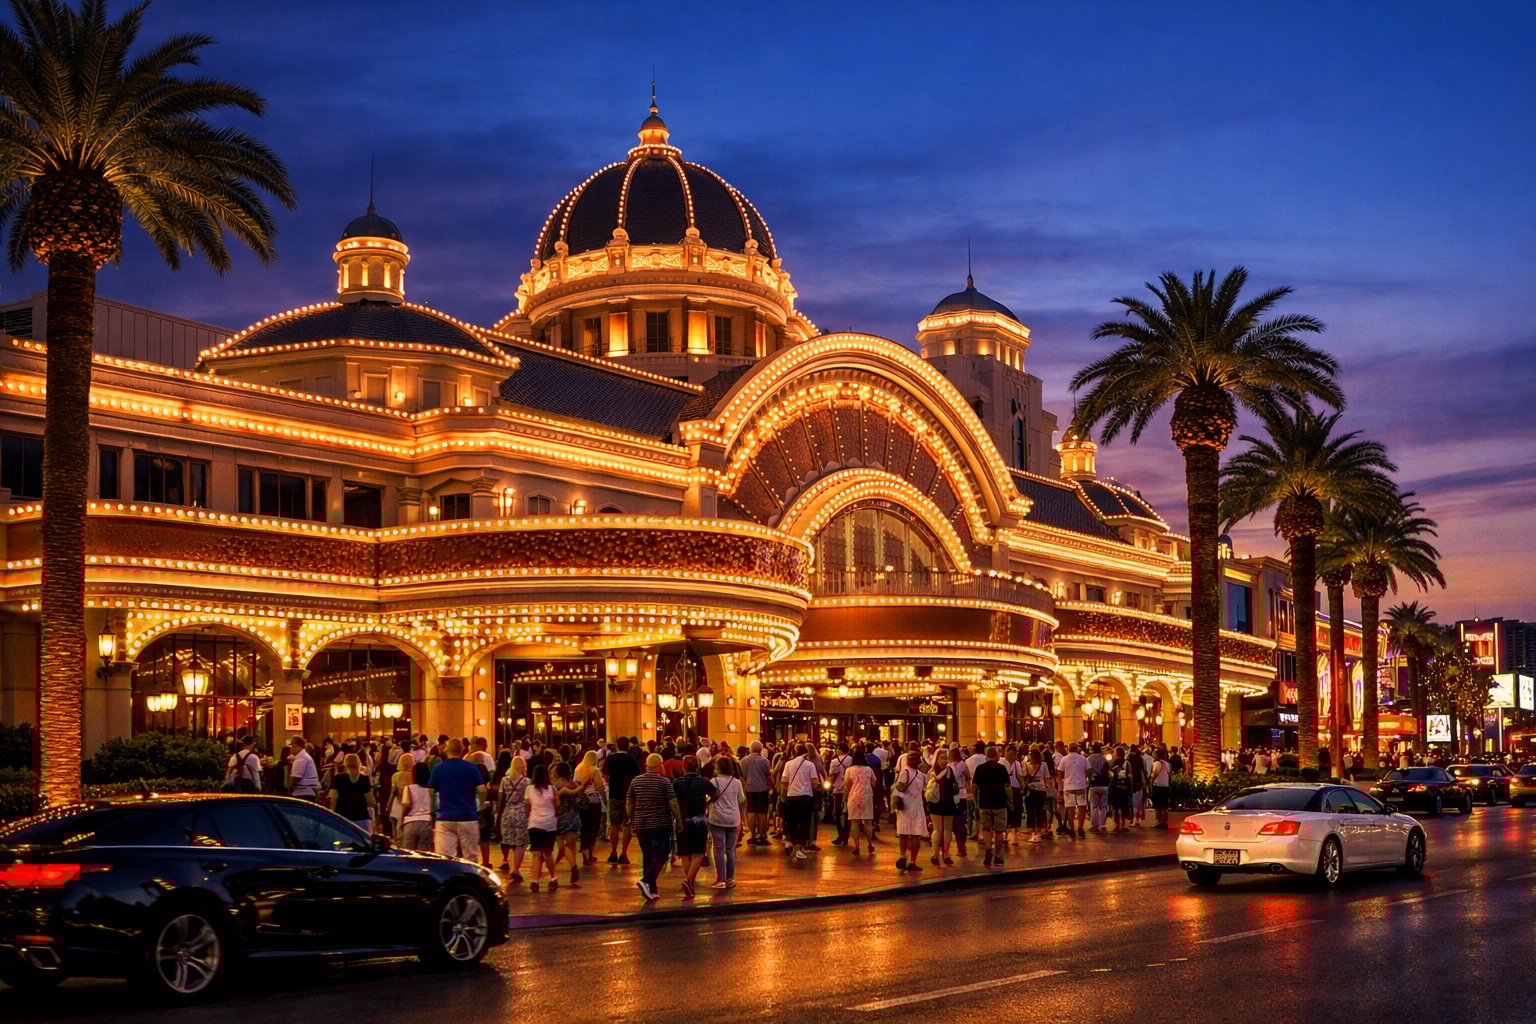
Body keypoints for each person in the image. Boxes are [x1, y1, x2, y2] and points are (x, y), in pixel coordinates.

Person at [628, 754, 682, 901]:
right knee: (662, 855)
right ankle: (646, 881)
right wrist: (679, 820)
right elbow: (673, 803)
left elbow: (629, 801)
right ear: (659, 765)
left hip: (640, 824)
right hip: (660, 823)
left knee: (648, 856)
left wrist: (631, 817)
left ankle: (651, 889)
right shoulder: (664, 782)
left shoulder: (636, 781)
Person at [429, 738, 484, 860]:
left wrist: (433, 809)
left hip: (445, 817)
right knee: (471, 857)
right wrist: (480, 806)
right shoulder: (471, 768)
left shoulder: (439, 768)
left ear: (447, 751)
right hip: (468, 817)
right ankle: (471, 877)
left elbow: (431, 791)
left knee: (445, 858)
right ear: (463, 750)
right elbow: (482, 789)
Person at [673, 755, 712, 898]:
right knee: (698, 853)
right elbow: (715, 793)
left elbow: (672, 799)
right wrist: (707, 802)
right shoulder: (703, 782)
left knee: (685, 854)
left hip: (682, 820)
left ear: (683, 767)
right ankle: (689, 881)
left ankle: (690, 882)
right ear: (697, 767)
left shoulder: (677, 783)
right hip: (699, 820)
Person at [708, 755, 744, 889]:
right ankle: (731, 878)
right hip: (733, 818)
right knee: (730, 850)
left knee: (719, 849)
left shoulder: (714, 781)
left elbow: (709, 797)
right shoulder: (737, 782)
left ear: (717, 767)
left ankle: (721, 879)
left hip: (717, 817)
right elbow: (741, 800)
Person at [780, 742, 820, 861]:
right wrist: (817, 786)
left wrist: (784, 794)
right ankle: (799, 848)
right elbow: (814, 782)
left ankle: (790, 842)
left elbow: (784, 781)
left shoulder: (788, 763)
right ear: (805, 753)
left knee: (791, 821)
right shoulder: (810, 765)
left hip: (791, 796)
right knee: (804, 822)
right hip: (805, 797)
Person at [971, 745, 1009, 866]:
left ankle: (988, 850)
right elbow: (1007, 787)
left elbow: (974, 786)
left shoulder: (980, 768)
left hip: (984, 802)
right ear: (996, 756)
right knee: (999, 831)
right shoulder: (1002, 768)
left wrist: (975, 799)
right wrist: (1011, 801)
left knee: (986, 828)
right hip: (999, 803)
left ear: (986, 756)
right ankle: (998, 855)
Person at [605, 736, 641, 864]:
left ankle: (613, 852)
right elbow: (637, 777)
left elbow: (605, 775)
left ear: (616, 745)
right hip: (628, 796)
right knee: (627, 825)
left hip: (614, 795)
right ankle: (623, 854)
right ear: (628, 746)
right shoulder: (631, 760)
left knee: (614, 826)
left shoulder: (610, 759)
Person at [525, 763, 559, 891]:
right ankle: (553, 878)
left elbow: (527, 805)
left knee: (536, 854)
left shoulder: (529, 789)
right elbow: (558, 805)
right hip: (550, 823)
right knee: (548, 852)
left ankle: (535, 881)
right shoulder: (552, 788)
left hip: (535, 823)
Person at [892, 751, 926, 872]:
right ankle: (912, 861)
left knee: (904, 833)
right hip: (915, 806)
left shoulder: (907, 772)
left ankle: (903, 857)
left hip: (907, 805)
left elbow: (899, 787)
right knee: (914, 834)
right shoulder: (918, 774)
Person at [497, 755, 530, 881]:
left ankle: (512, 865)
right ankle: (515, 869)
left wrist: (499, 814)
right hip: (521, 813)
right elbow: (527, 800)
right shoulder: (527, 781)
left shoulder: (504, 780)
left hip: (507, 812)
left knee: (510, 841)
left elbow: (501, 798)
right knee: (521, 843)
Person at [552, 760, 584, 887]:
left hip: (560, 817)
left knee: (560, 846)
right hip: (574, 816)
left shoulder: (556, 785)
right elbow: (579, 799)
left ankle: (552, 870)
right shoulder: (573, 784)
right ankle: (573, 870)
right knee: (571, 847)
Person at [925, 747, 957, 864]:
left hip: (948, 802)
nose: (944, 761)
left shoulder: (948, 771)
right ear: (937, 759)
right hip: (936, 803)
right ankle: (936, 854)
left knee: (947, 829)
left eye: (946, 758)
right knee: (937, 829)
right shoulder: (933, 772)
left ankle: (946, 853)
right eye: (942, 758)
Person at [843, 750, 876, 855]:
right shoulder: (868, 769)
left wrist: (845, 798)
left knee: (854, 822)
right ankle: (870, 844)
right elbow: (874, 783)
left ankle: (857, 846)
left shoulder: (849, 770)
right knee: (867, 822)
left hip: (853, 796)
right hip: (866, 796)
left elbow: (846, 785)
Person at [740, 740, 773, 846]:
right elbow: (768, 774)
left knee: (751, 811)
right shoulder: (765, 761)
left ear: (751, 748)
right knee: (762, 812)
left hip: (749, 788)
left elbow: (743, 775)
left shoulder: (744, 760)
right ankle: (762, 834)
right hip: (762, 789)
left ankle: (753, 835)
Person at [330, 752, 374, 830]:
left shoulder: (338, 778)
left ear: (345, 763)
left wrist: (332, 812)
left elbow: (332, 798)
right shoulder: (364, 778)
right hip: (361, 816)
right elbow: (370, 801)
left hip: (342, 817)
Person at [574, 750, 603, 865]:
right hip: (594, 801)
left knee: (584, 827)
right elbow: (599, 786)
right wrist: (605, 799)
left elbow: (574, 783)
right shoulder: (595, 770)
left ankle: (585, 850)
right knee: (594, 827)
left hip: (581, 801)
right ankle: (590, 853)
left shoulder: (577, 769)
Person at [400, 761, 436, 850]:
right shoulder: (431, 790)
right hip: (427, 822)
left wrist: (401, 821)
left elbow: (406, 807)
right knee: (424, 855)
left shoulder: (408, 788)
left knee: (408, 853)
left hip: (410, 822)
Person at [1058, 742, 1090, 839]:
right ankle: (1080, 827)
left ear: (1068, 749)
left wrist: (1061, 784)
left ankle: (1071, 828)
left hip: (1068, 786)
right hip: (1080, 785)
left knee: (1070, 807)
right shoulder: (1083, 758)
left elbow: (1060, 773)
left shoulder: (1064, 759)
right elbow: (1088, 771)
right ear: (1077, 749)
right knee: (1082, 806)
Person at [1024, 748, 1049, 842]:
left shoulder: (1041, 765)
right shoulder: (1029, 765)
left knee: (1037, 810)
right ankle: (1034, 832)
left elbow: (1024, 777)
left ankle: (1036, 832)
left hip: (1037, 790)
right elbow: (1047, 778)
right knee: (1032, 811)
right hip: (1036, 790)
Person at [1087, 742, 1111, 832]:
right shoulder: (1104, 759)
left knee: (1094, 806)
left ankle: (1095, 825)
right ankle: (1103, 824)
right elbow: (1108, 771)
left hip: (1094, 785)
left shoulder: (1088, 759)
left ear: (1092, 750)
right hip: (1104, 785)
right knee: (1104, 806)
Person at [287, 736, 320, 801]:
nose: (291, 749)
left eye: (291, 746)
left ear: (295, 745)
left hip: (303, 793)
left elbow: (295, 777)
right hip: (307, 791)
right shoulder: (304, 756)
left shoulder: (301, 758)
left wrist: (289, 790)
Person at [1108, 747, 1132, 832]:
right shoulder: (1123, 763)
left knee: (1118, 806)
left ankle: (1119, 824)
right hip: (1121, 787)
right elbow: (1130, 775)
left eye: (1114, 752)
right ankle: (1121, 824)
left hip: (1119, 787)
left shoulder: (1121, 763)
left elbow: (1111, 774)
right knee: (1120, 806)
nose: (1113, 754)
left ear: (1118, 754)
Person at [1150, 747, 1171, 829]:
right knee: (1164, 805)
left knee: (1158, 805)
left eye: (1154, 754)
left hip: (1158, 785)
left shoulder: (1157, 763)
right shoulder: (1166, 763)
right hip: (1165, 785)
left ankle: (1159, 821)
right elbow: (1169, 774)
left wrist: (1151, 782)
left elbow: (1155, 774)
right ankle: (1164, 821)